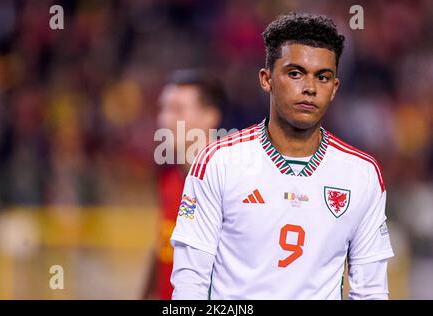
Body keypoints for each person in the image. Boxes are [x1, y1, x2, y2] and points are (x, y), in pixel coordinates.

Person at [170, 13, 394, 300]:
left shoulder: (361, 174)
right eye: (295, 73)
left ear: (334, 88)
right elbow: (190, 283)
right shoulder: (218, 162)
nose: (310, 88)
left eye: (323, 77)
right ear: (267, 79)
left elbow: (371, 291)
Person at [143, 69, 226, 299]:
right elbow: (164, 245)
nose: (165, 120)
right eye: (164, 109)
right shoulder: (168, 176)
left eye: (177, 110)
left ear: (210, 116)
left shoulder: (231, 182)